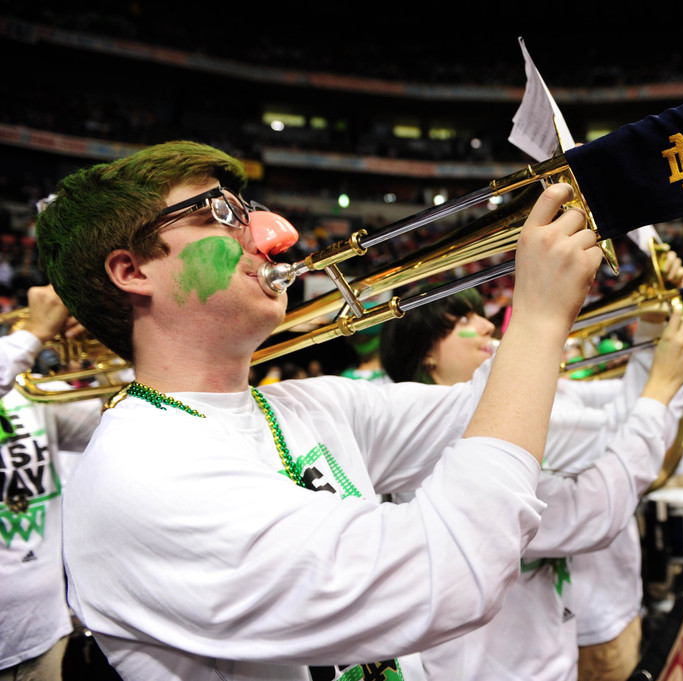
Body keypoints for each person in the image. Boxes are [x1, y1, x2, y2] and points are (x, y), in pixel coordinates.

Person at [34, 140, 605, 681]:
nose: (274, 236)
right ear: (132, 271)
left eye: (247, 209)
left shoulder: (309, 404)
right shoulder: (139, 474)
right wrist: (535, 321)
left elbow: (541, 426)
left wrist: (563, 315)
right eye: (218, 214)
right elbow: (454, 573)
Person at [378, 277, 683, 681]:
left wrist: (652, 329)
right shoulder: (431, 454)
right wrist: (660, 390)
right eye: (462, 319)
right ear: (426, 354)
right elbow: (592, 514)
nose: (486, 327)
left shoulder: (498, 418)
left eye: (480, 313)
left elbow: (611, 437)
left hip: (546, 651)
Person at [1, 285, 102, 681]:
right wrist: (31, 335)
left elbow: (106, 431)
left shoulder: (31, 388)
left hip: (41, 630)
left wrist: (113, 344)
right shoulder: (18, 353)